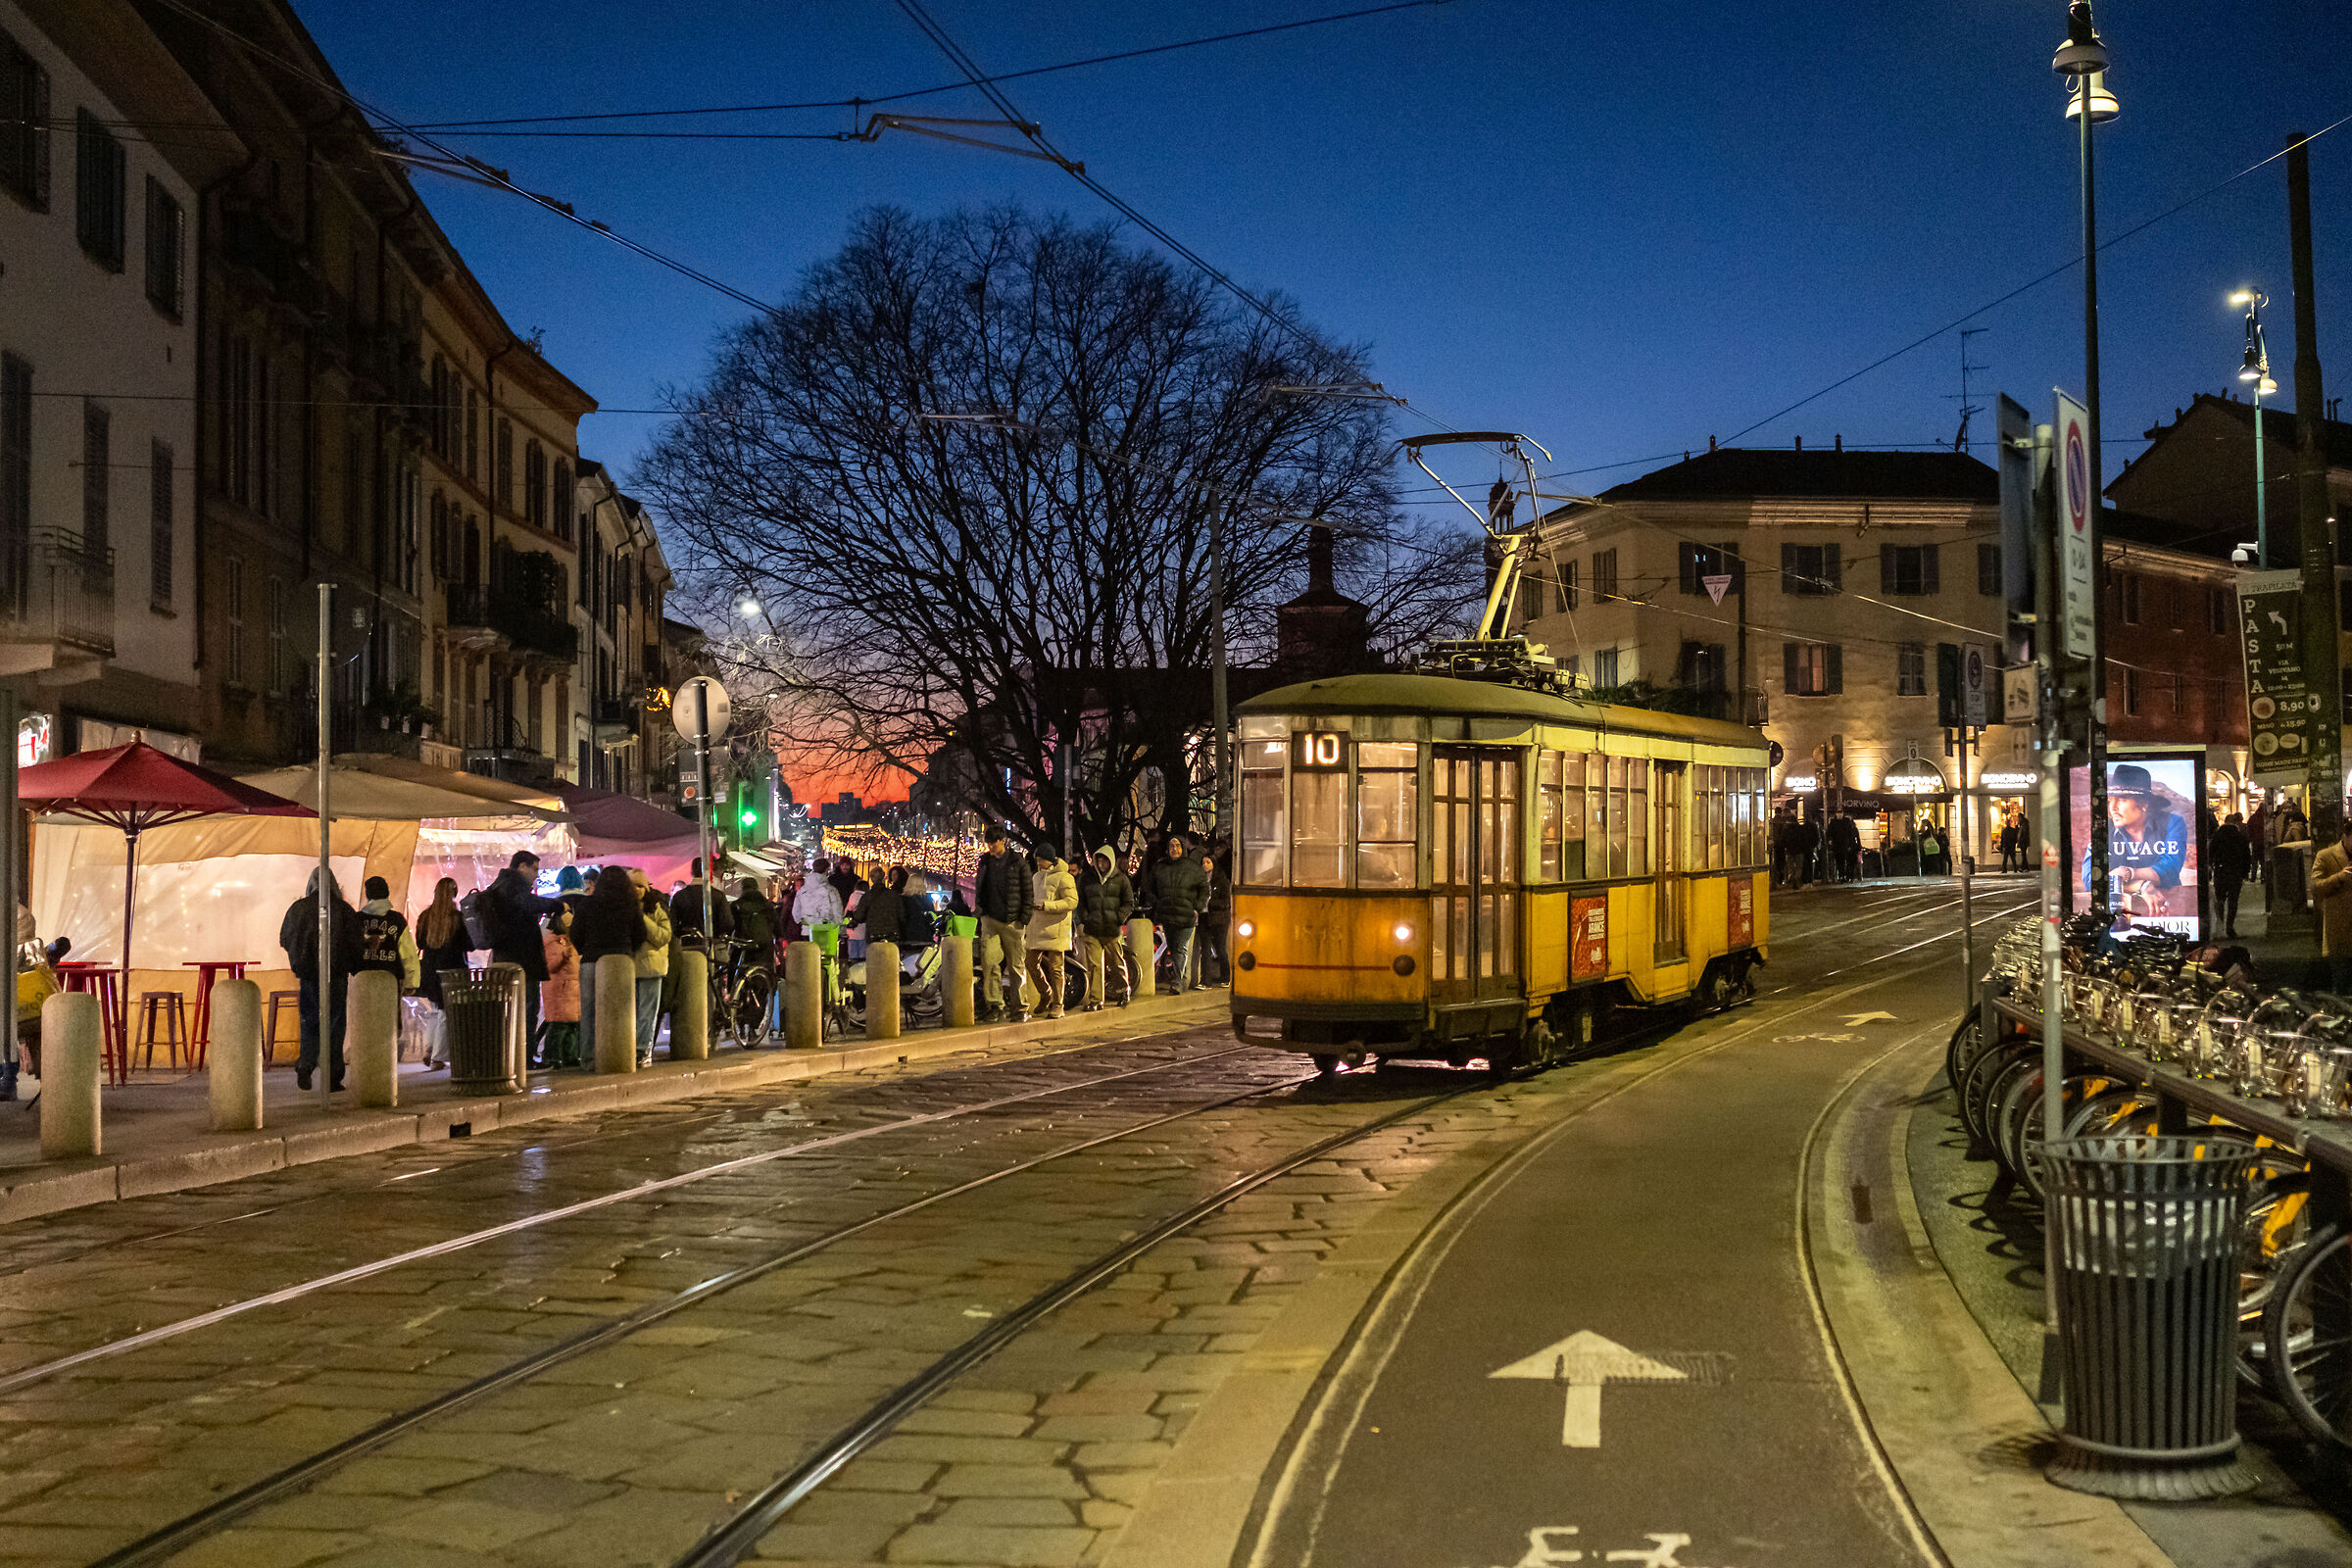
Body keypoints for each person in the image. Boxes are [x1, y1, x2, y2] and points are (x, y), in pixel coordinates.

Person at [278, 868, 363, 1091]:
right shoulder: (343, 910)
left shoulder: (298, 909)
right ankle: (333, 1076)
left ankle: (305, 1066)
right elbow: (355, 943)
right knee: (334, 1024)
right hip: (335, 975)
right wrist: (354, 966)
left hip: (307, 975)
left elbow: (285, 939)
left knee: (309, 1022)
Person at [570, 866, 648, 1068]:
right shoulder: (631, 905)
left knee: (588, 1012)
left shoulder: (587, 905)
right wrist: (629, 949)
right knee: (622, 1011)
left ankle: (589, 1058)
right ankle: (620, 1055)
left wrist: (586, 950)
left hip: (592, 961)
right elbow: (640, 934)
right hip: (621, 961)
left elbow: (576, 934)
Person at [2080, 763, 2186, 909]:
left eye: (2122, 799)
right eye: (2110, 800)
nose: (2113, 808)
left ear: (2144, 803)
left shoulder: (2172, 823)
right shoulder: (2103, 829)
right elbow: (2090, 880)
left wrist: (2127, 873)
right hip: (2117, 911)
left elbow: (2169, 870)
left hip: (2167, 909)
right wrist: (2141, 885)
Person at [484, 852, 562, 1046]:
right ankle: (523, 1058)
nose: (536, 875)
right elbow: (526, 903)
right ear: (521, 866)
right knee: (526, 1008)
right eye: (534, 869)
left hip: (505, 956)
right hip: (521, 958)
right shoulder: (513, 885)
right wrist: (555, 904)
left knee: (514, 1010)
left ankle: (515, 1057)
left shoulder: (499, 885)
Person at [975, 827, 1034, 1022]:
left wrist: (1023, 918)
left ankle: (1020, 1008)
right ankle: (995, 1006)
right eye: (989, 842)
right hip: (990, 919)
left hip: (1012, 921)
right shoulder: (985, 862)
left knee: (1016, 966)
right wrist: (981, 911)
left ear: (1004, 841)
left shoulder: (1018, 862)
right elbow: (980, 887)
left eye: (994, 842)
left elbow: (1027, 892)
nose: (990, 846)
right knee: (989, 963)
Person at [1148, 833, 1209, 991]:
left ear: (1183, 848)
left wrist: (1196, 907)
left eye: (1177, 846)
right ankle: (1178, 978)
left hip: (1186, 915)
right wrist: (1157, 903)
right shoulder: (1160, 867)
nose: (1174, 849)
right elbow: (1149, 887)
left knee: (1181, 947)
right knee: (1173, 947)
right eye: (1171, 846)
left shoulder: (1192, 868)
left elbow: (1204, 889)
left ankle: (1178, 981)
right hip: (1167, 914)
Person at [1077, 846, 1135, 1010]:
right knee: (1095, 966)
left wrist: (1118, 918)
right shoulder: (1087, 878)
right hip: (1093, 928)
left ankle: (1124, 991)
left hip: (1111, 929)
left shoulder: (1121, 879)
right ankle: (1096, 1000)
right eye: (1099, 860)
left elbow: (1128, 903)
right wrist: (1086, 918)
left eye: (1104, 860)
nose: (1101, 864)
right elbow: (1080, 902)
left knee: (1116, 963)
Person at [1024, 847, 1078, 1019]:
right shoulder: (1036, 877)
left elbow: (1071, 901)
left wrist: (1048, 906)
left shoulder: (1065, 877)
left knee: (1057, 968)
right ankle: (1045, 993)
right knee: (1030, 962)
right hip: (1037, 926)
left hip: (1056, 928)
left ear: (1050, 859)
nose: (1038, 863)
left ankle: (1058, 1004)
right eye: (1037, 860)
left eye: (1041, 859)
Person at [629, 868, 673, 1066]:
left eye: (640, 886)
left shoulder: (655, 909)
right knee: (632, 1012)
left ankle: (643, 1050)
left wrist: (642, 919)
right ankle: (633, 1048)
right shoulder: (622, 908)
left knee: (647, 1013)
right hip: (628, 968)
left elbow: (663, 936)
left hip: (650, 967)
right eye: (632, 886)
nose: (636, 890)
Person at [415, 877, 473, 1008]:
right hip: (454, 974)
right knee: (449, 1014)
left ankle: (433, 1030)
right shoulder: (458, 918)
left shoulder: (425, 916)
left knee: (435, 1011)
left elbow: (420, 943)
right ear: (454, 894)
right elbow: (469, 945)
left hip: (430, 973)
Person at [355, 876, 418, 988]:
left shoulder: (356, 919)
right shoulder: (397, 920)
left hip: (360, 982)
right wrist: (411, 983)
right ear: (387, 893)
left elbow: (348, 950)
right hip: (390, 981)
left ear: (367, 894)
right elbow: (408, 954)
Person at [540, 906, 582, 1068]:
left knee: (571, 1025)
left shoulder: (566, 942)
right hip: (560, 991)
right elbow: (549, 966)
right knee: (559, 1026)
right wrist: (563, 956)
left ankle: (569, 1056)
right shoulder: (552, 943)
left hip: (570, 989)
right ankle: (552, 1056)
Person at [2313, 819, 2352, 995]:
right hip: (2339, 926)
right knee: (2341, 979)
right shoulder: (2326, 855)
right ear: (2345, 837)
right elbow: (2316, 886)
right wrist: (2339, 877)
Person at [2210, 811, 2252, 940]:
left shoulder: (2217, 836)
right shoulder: (2240, 836)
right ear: (2235, 823)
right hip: (2235, 872)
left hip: (2221, 871)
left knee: (2220, 899)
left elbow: (2210, 852)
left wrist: (2211, 867)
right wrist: (2245, 873)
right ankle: (2230, 928)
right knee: (2233, 901)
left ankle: (2220, 927)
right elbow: (2247, 856)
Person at [1198, 852, 1232, 986]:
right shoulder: (1200, 880)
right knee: (1205, 950)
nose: (1205, 865)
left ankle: (1226, 976)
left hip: (1219, 918)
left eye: (1207, 862)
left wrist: (1211, 902)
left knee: (1220, 948)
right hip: (1204, 916)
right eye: (1203, 863)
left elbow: (1226, 902)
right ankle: (1205, 980)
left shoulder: (1221, 880)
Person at [1825, 814, 1860, 885]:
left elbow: (1855, 838)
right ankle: (1844, 876)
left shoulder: (1849, 826)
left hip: (1848, 847)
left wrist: (1854, 846)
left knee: (1848, 863)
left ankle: (1847, 876)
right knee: (1842, 862)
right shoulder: (1834, 823)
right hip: (1843, 846)